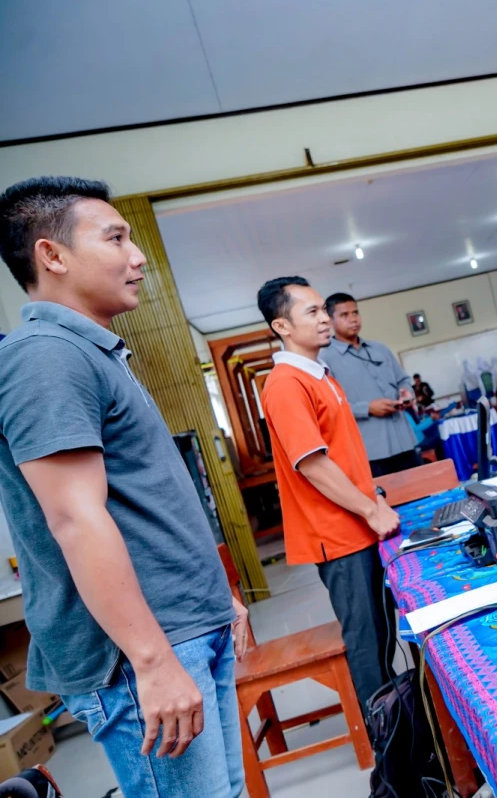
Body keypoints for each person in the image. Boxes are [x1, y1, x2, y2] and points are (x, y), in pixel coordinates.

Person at [0, 177, 249, 796]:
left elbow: (148, 503)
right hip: (144, 654)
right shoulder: (44, 357)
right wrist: (153, 661)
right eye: (115, 238)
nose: (137, 257)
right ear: (51, 256)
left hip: (185, 628)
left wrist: (218, 599)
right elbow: (76, 520)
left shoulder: (93, 353)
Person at [257, 277, 401, 711]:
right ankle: (392, 759)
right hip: (338, 534)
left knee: (383, 638)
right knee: (368, 646)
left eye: (324, 310)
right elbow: (312, 463)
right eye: (312, 312)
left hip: (357, 521)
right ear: (282, 326)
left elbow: (342, 455)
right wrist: (368, 510)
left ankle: (406, 732)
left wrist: (373, 498)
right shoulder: (285, 384)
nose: (324, 320)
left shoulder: (320, 375)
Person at [323, 292, 422, 477]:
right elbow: (329, 406)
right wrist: (367, 408)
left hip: (405, 441)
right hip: (371, 451)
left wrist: (406, 393)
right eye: (344, 315)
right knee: (388, 503)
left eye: (355, 313)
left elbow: (403, 380)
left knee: (422, 495)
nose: (353, 319)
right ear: (329, 321)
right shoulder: (325, 358)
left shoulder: (380, 348)